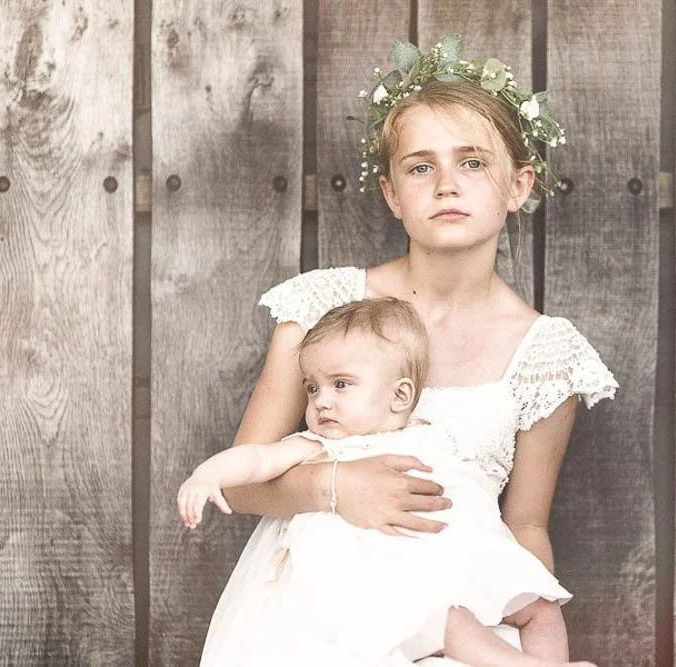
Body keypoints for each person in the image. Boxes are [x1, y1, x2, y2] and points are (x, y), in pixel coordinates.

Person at [203, 34, 619, 666]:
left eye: (473, 162)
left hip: (460, 614)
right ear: (394, 194)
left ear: (518, 184)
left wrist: (538, 639)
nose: (446, 184)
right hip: (319, 605)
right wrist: (336, 487)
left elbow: (526, 524)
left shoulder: (546, 353)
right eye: (420, 167)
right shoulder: (326, 307)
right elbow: (237, 485)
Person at [180, 297, 594, 666]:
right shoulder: (321, 445)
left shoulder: (428, 434)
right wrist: (210, 473)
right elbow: (257, 458)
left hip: (458, 557)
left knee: (542, 604)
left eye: (340, 384)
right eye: (312, 388)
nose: (322, 400)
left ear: (399, 397)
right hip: (388, 580)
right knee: (448, 620)